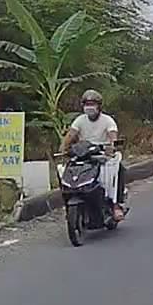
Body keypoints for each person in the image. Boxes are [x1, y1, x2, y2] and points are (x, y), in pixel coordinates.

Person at [61, 89, 126, 221]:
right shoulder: (80, 120)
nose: (89, 107)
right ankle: (67, 204)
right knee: (64, 172)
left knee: (119, 169)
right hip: (83, 154)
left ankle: (115, 205)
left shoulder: (108, 120)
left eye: (92, 104)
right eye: (87, 104)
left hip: (102, 155)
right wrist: (63, 149)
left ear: (99, 106)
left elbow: (113, 136)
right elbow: (70, 135)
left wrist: (111, 147)